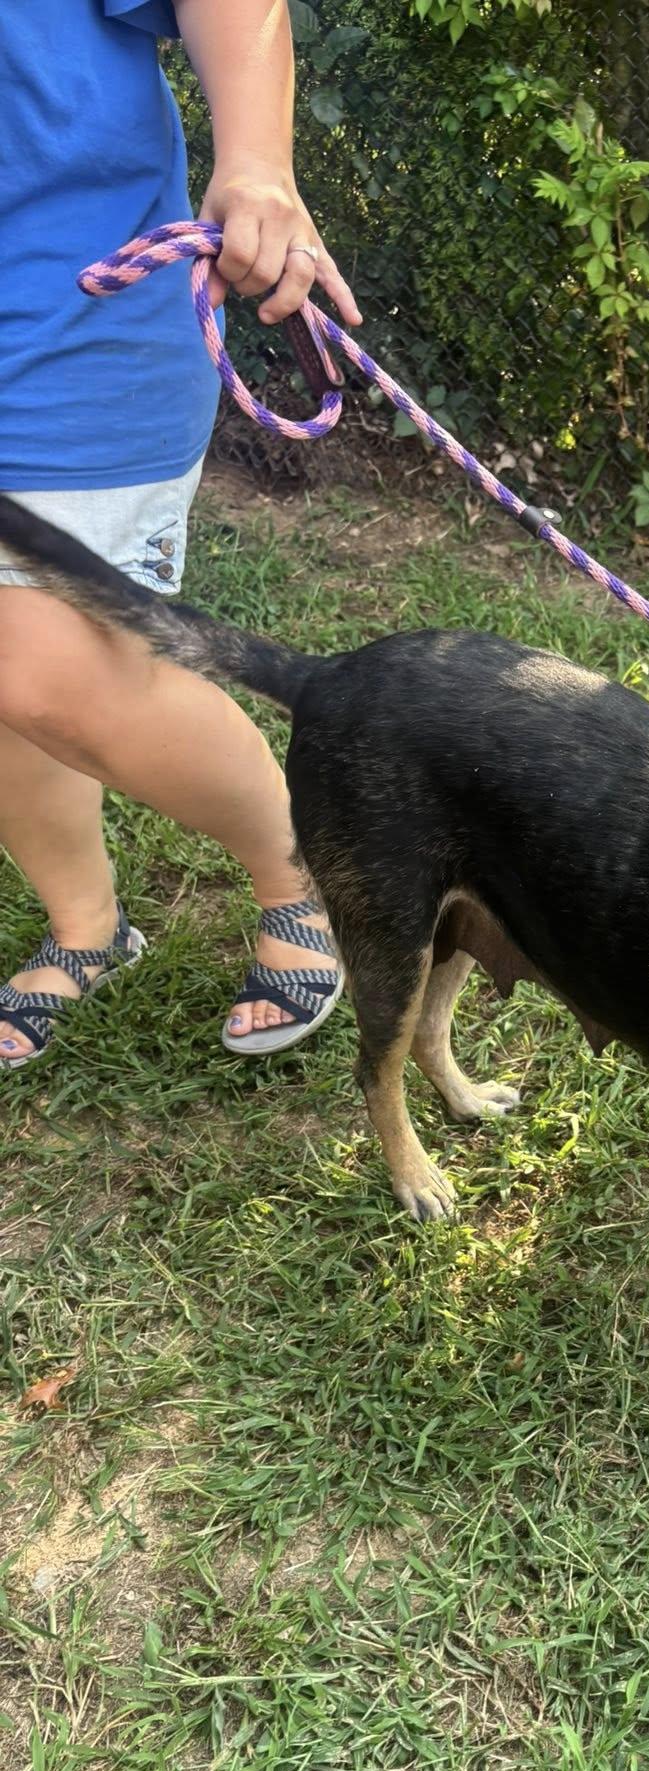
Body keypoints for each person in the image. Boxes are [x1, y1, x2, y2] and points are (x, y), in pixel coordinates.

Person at [0, 0, 362, 1068]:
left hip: (67, 330)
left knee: (50, 670)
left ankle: (306, 871)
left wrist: (257, 161)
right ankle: (87, 924)